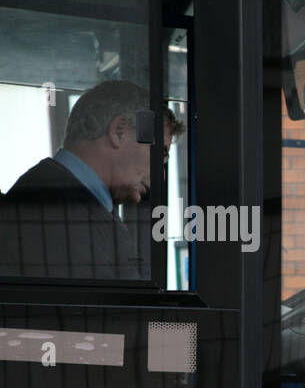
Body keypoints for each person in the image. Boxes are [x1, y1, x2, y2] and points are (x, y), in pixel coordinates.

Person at [0, 80, 182, 280]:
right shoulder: (55, 210)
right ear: (119, 131)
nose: (159, 171)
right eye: (158, 153)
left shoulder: (56, 195)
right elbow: (104, 308)